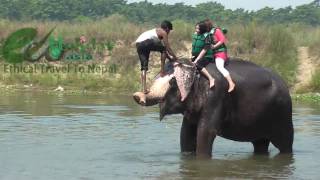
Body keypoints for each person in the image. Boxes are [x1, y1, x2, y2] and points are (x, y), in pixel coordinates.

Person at [135, 20, 178, 94]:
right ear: (167, 28)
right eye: (169, 31)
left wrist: (170, 58)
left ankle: (144, 89)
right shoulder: (163, 32)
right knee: (164, 48)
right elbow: (167, 48)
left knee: (144, 67)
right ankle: (162, 72)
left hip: (138, 44)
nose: (168, 33)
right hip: (146, 42)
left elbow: (163, 51)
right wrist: (175, 58)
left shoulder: (155, 32)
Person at [205, 19, 235, 92]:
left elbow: (222, 40)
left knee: (219, 66)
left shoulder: (216, 31)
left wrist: (214, 46)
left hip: (220, 52)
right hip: (213, 53)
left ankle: (231, 83)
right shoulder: (207, 33)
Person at [191, 21, 215, 88]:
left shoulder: (207, 36)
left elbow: (204, 50)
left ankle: (211, 78)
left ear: (202, 29)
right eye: (196, 28)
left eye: (198, 29)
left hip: (207, 56)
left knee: (198, 64)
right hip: (197, 55)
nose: (196, 30)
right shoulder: (196, 34)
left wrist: (197, 60)